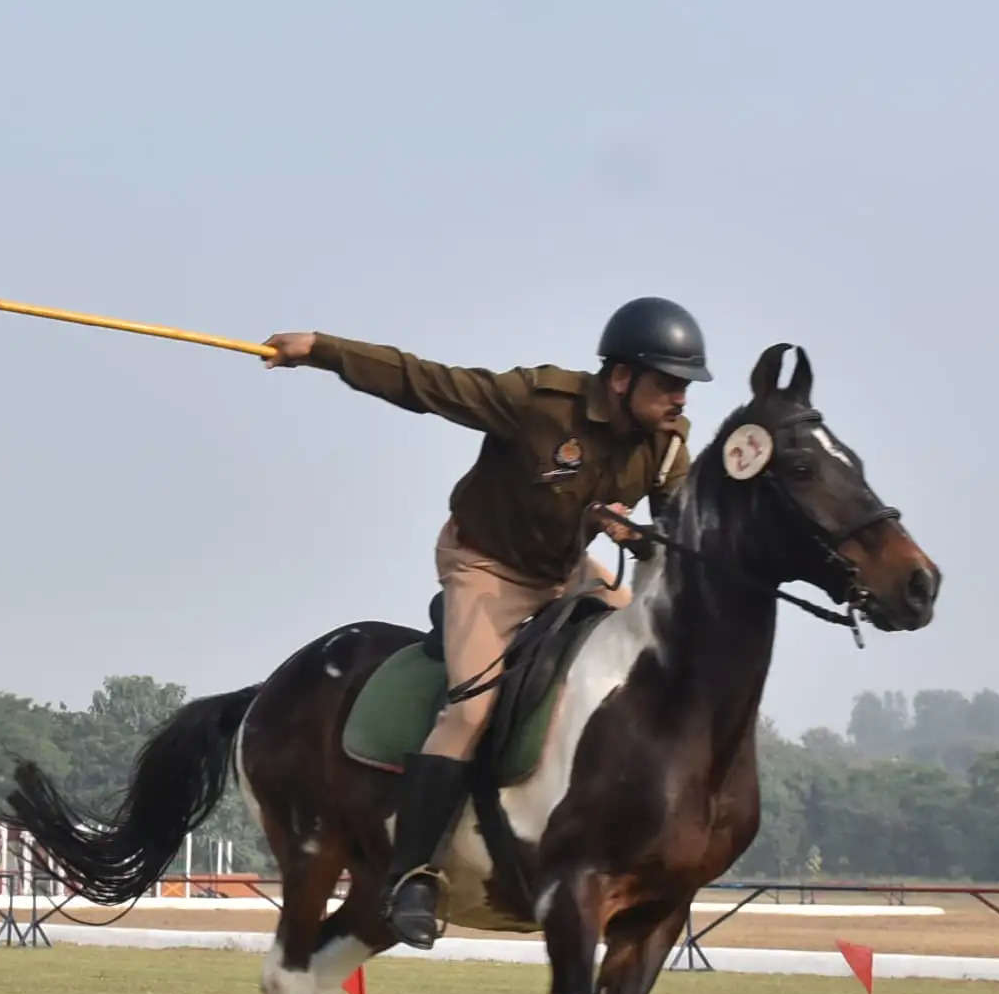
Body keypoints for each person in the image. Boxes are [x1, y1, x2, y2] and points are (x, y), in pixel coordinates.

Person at [265, 296, 709, 947]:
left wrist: (637, 536)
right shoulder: (537, 403)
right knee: (471, 709)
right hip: (486, 567)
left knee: (635, 663)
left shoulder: (669, 446)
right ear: (621, 378)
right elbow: (425, 383)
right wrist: (323, 351)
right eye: (668, 383)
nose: (680, 400)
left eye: (685, 387)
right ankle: (410, 875)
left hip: (567, 572)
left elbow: (674, 540)